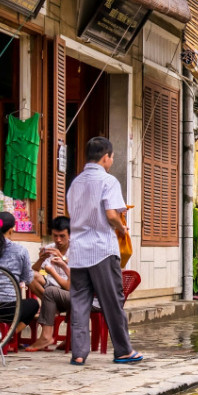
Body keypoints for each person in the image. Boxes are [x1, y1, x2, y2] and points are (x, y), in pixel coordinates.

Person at [66, 137, 142, 365]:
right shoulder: (108, 181)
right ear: (106, 157)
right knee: (112, 300)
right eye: (112, 156)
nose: (112, 160)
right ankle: (123, 350)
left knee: (79, 302)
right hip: (101, 248)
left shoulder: (76, 182)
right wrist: (122, 226)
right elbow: (111, 215)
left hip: (78, 249)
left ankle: (79, 354)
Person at [24, 216, 71, 352]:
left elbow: (70, 285)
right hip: (52, 288)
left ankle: (46, 332)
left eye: (62, 236)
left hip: (69, 291)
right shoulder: (50, 247)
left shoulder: (77, 249)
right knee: (31, 275)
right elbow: (32, 272)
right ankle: (51, 306)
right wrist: (40, 260)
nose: (58, 240)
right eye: (55, 236)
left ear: (70, 235)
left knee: (51, 292)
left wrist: (62, 259)